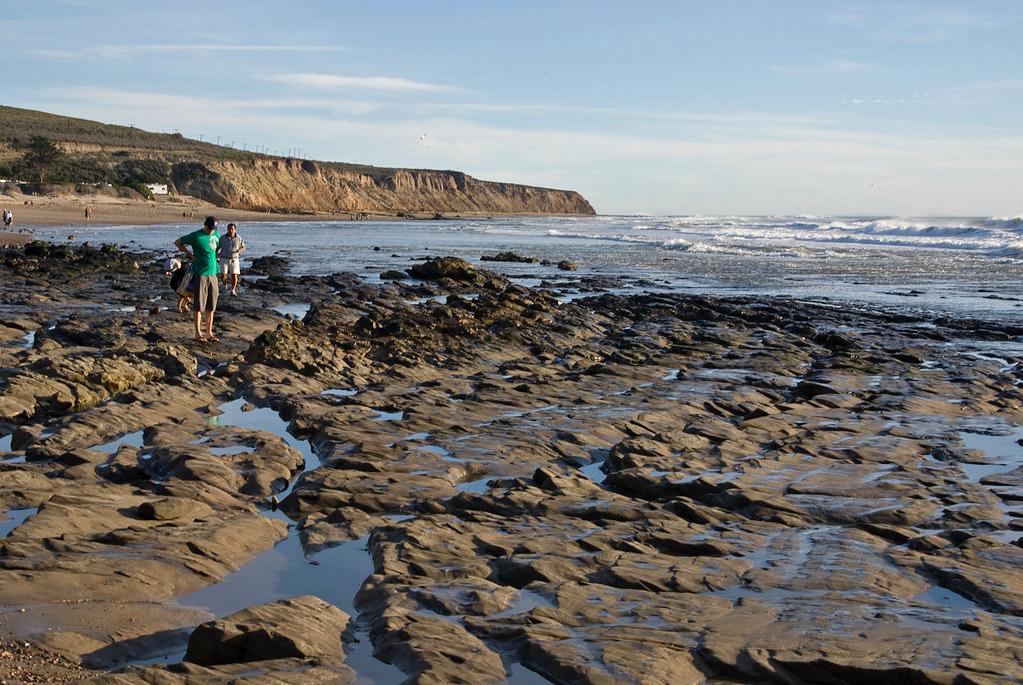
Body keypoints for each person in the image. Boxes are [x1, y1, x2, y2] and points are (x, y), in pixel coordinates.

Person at [175, 216, 220, 342]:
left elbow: (215, 248)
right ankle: (198, 333)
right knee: (198, 305)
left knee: (211, 306)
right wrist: (190, 255)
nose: (212, 231)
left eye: (214, 229)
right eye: (210, 228)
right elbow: (178, 242)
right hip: (200, 273)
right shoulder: (196, 236)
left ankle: (209, 333)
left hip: (213, 273)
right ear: (205, 225)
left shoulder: (216, 233)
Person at [217, 222, 246, 295]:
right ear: (227, 229)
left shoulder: (239, 238)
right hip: (224, 258)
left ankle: (233, 290)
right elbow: (218, 247)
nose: (231, 230)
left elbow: (243, 247)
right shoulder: (222, 238)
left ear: (235, 230)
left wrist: (240, 251)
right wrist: (214, 255)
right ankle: (224, 285)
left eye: (232, 229)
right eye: (229, 229)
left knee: (234, 275)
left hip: (234, 258)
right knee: (223, 275)